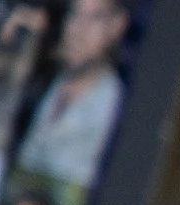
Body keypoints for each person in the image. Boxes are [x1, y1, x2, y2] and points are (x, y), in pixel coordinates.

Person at [12, 0, 124, 192]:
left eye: (94, 18)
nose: (78, 30)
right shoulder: (43, 83)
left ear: (116, 26)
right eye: (74, 15)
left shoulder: (115, 107)